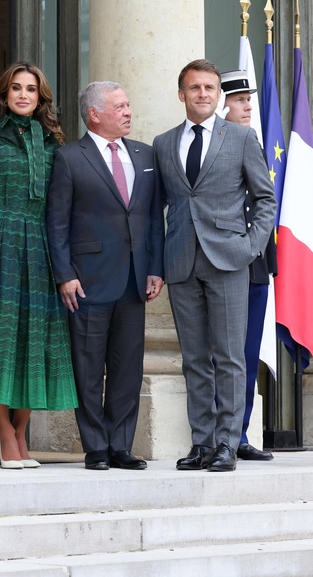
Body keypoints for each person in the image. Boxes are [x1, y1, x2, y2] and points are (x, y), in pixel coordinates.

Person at [153, 59, 277, 472]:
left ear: (218, 95)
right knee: (194, 359)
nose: (202, 93)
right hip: (181, 262)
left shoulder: (241, 137)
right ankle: (202, 444)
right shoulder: (164, 143)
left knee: (228, 357)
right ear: (182, 94)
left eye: (209, 87)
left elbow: (265, 199)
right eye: (195, 87)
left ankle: (227, 443)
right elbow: (158, 208)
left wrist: (250, 248)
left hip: (228, 260)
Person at [0, 61, 78, 469]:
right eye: (16, 88)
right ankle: (5, 431)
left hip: (40, 248)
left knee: (34, 339)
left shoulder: (54, 143)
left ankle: (22, 430)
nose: (23, 95)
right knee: (1, 338)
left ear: (41, 98)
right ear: (4, 95)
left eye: (31, 89)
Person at [46, 81, 164, 471]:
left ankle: (120, 446)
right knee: (88, 367)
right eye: (120, 106)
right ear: (94, 114)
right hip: (87, 280)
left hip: (134, 279)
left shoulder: (145, 155)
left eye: (128, 104)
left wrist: (156, 268)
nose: (128, 111)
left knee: (128, 369)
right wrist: (64, 274)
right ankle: (95, 446)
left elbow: (154, 218)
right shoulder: (69, 158)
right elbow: (57, 223)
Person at [220, 69, 277, 461]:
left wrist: (256, 250)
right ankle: (217, 435)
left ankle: (238, 434)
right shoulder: (207, 142)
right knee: (219, 355)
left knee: (247, 352)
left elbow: (263, 201)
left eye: (248, 99)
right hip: (218, 262)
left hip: (253, 263)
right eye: (239, 100)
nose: (247, 106)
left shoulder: (251, 139)